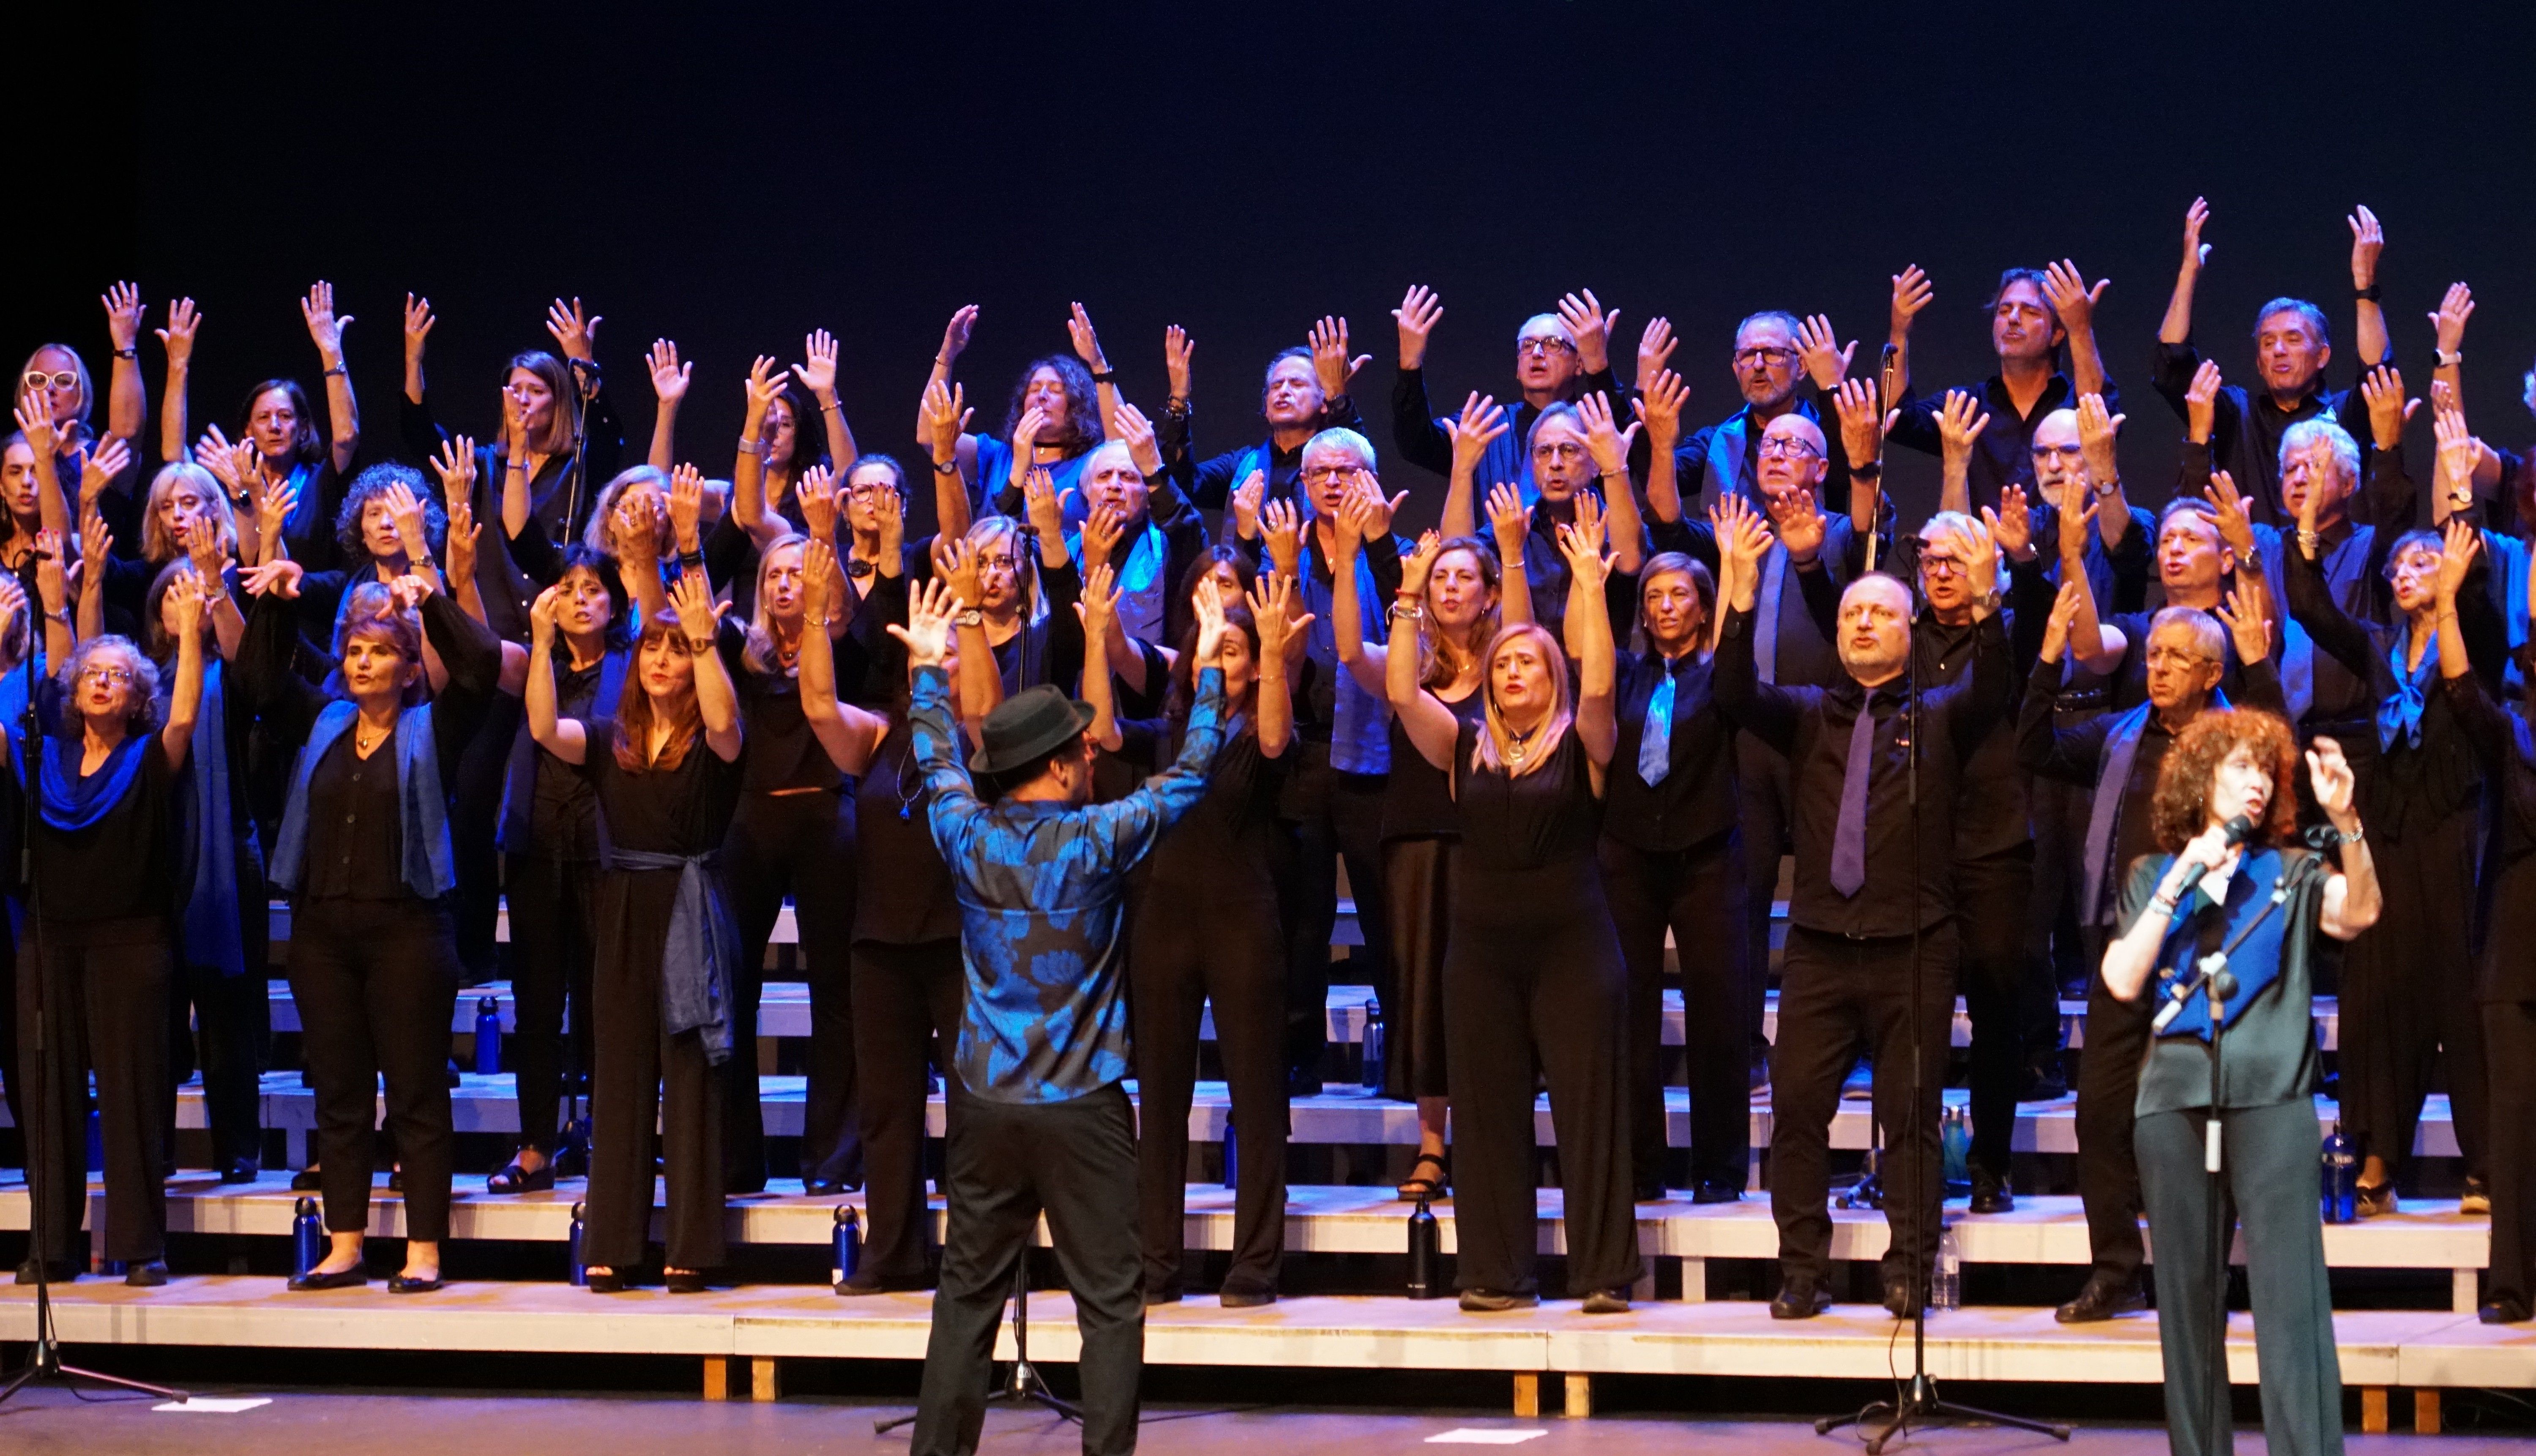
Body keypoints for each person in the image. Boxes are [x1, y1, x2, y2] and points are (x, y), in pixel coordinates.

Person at [902, 569, 1231, 1456]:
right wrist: (1208, 674)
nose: (1093, 759)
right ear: (1057, 765)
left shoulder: (966, 834)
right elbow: (1195, 772)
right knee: (1110, 1304)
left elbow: (936, 760)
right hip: (1082, 1106)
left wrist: (929, 673)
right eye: (1082, 752)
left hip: (988, 1104)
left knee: (966, 1302)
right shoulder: (1098, 835)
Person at [1713, 505, 2011, 1320]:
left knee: (1907, 1118)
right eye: (1853, 613)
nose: (1866, 622)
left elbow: (1997, 689)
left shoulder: (1940, 713)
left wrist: (1986, 607)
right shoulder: (1810, 713)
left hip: (1913, 945)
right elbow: (1733, 692)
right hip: (1818, 946)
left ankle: (1909, 1268)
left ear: (1910, 627)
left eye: (1882, 611)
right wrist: (1739, 601)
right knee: (1799, 1111)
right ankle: (1802, 1271)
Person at [1390, 497, 1641, 1314]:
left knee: (1587, 1112)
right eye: (1502, 666)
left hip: (1574, 949)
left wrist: (1591, 586)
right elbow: (1401, 692)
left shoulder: (1584, 741)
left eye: (1527, 663)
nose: (1511, 673)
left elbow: (1600, 683)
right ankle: (1496, 1272)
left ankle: (1601, 1273)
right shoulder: (1464, 747)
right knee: (1489, 1113)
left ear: (1551, 677)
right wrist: (1408, 597)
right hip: (1482, 955)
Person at [2103, 712, 2377, 1456]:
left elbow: (2359, 914)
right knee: (2187, 1309)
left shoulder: (2288, 874)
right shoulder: (2151, 876)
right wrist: (2182, 880)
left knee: (2292, 1304)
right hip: (2172, 1105)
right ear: (2201, 778)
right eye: (2240, 768)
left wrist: (2345, 819)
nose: (2257, 782)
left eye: (2266, 770)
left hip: (2272, 1100)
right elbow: (2123, 978)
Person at [2021, 589, 2285, 1322]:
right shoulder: (2121, 733)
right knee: (2101, 1114)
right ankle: (2116, 1269)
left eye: (2176, 657)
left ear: (2210, 672)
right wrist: (2047, 659)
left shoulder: (2241, 739)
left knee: (2207, 1120)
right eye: (2153, 654)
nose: (2157, 667)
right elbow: (2033, 747)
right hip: (2125, 949)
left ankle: (2205, 1275)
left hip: (2210, 954)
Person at [240, 565, 503, 1295]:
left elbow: (481, 667)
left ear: (411, 667)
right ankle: (345, 1245)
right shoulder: (323, 723)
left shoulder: (433, 727)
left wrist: (433, 603)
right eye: (354, 651)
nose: (361, 662)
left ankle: (423, 1252)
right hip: (321, 936)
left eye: (379, 652)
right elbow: (260, 683)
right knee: (341, 1095)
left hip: (409, 935)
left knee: (416, 1094)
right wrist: (276, 604)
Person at [527, 569, 745, 1289]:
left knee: (689, 1075)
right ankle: (615, 1240)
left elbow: (723, 726)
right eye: (653, 647)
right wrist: (539, 643)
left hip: (689, 907)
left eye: (675, 650)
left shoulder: (711, 740)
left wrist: (707, 642)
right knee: (618, 1075)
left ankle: (691, 1242)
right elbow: (539, 728)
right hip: (623, 908)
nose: (660, 660)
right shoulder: (607, 738)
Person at [2287, 518, 2498, 1216]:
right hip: (2389, 832)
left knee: (2463, 997)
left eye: (2424, 562)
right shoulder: (2380, 647)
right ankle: (2377, 1157)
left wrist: (2454, 595)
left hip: (2455, 828)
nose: (2406, 572)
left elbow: (2477, 675)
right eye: (2399, 566)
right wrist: (2307, 535)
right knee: (2382, 992)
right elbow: (2315, 610)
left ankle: (2488, 1166)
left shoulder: (2473, 634)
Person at [7, 585, 208, 1288]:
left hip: (132, 944)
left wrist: (190, 634)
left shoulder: (152, 758)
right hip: (51, 942)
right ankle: (53, 1244)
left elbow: (187, 711)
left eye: (119, 675)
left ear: (136, 698)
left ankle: (139, 1245)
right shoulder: (45, 759)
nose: (103, 681)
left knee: (131, 1095)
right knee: (48, 1093)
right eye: (93, 671)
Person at [1332, 485, 1527, 1198]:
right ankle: (1433, 1143)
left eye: (1462, 577)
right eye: (1439, 575)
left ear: (1489, 592)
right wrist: (1355, 555)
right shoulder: (1411, 661)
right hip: (1417, 843)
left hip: (1493, 844)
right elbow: (1352, 650)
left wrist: (1509, 547)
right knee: (1424, 991)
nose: (1449, 587)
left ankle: (1494, 1133)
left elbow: (1529, 639)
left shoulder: (1512, 659)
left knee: (1491, 989)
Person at [1126, 572, 1303, 1307]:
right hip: (1163, 922)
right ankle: (1156, 1264)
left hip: (1241, 920)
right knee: (1161, 1098)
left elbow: (1273, 735)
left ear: (1255, 665)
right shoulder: (1167, 737)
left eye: (1230, 651)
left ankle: (1255, 1263)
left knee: (1256, 1097)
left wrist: (1262, 640)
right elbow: (1101, 729)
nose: (1217, 661)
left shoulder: (1259, 728)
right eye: (1206, 648)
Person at [1597, 530, 1748, 1205]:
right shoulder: (1627, 675)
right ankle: (1640, 1166)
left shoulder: (1719, 675)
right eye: (1653, 595)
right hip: (1628, 853)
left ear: (1703, 605)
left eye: (1679, 594)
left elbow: (1739, 670)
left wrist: (1739, 568)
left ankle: (1720, 1167)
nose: (1664, 606)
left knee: (1717, 1010)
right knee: (1630, 1011)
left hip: (1706, 854)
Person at [1255, 427, 1406, 1095]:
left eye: (1349, 469)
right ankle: (1298, 1054)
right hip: (1303, 751)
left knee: (1385, 911)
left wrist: (1370, 548)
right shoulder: (1280, 556)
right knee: (1302, 915)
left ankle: (1405, 1051)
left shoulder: (1392, 554)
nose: (1334, 481)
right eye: (1320, 472)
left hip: (1378, 754)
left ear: (1370, 480)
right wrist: (1284, 572)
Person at [718, 531, 863, 1195]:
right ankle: (738, 1160)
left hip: (827, 817)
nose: (783, 583)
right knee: (735, 992)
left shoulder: (840, 648)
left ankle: (830, 1161)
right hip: (750, 821)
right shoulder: (738, 653)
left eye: (796, 573)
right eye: (773, 573)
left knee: (834, 991)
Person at [134, 556, 267, 1186]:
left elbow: (256, 670)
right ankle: (153, 1153)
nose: (185, 601)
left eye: (197, 592)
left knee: (225, 1015)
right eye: (174, 593)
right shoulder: (138, 683)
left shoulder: (232, 676)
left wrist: (217, 593)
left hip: (223, 858)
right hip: (154, 859)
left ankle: (239, 1146)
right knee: (157, 1021)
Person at [2151, 197, 2394, 523]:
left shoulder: (2343, 414)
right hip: (2246, 564)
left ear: (2323, 355)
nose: (2279, 350)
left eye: (2293, 340)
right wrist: (2188, 273)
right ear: (2259, 361)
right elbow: (2173, 363)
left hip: (2332, 569)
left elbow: (2378, 374)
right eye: (2268, 343)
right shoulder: (2238, 414)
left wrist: (2365, 286)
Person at [401, 295, 623, 641]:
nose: (522, 399)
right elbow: (421, 436)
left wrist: (584, 366)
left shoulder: (579, 466)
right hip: (491, 631)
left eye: (535, 390)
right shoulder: (483, 464)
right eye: (515, 390)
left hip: (559, 635)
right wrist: (414, 360)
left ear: (559, 402)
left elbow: (610, 436)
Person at [2444, 541, 2536, 1322]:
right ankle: (2512, 1282)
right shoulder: (2512, 734)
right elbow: (2461, 691)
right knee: (2512, 1124)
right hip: (2516, 956)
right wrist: (2445, 605)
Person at [1890, 263, 2116, 505]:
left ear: (2058, 334)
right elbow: (1897, 417)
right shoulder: (1967, 407)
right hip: (1984, 542)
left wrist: (2080, 329)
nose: (2014, 319)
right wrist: (1899, 332)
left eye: (2030, 312)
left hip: (2067, 541)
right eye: (2004, 310)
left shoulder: (2071, 402)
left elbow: (2100, 414)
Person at [185, 283, 362, 571]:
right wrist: (243, 493)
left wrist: (331, 353)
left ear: (304, 429)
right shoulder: (237, 486)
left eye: (286, 416)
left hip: (315, 610)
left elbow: (347, 435)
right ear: (248, 432)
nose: (275, 426)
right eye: (264, 418)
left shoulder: (322, 482)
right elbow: (251, 560)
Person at [1389, 285, 1629, 495]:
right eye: (1527, 345)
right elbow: (1416, 444)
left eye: (1552, 344)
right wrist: (1410, 365)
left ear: (1580, 364)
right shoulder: (1484, 426)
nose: (1537, 353)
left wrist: (1599, 367)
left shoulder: (1599, 428)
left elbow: (1639, 451)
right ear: (1517, 367)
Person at [920, 303, 1118, 523]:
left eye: (1056, 390)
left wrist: (1099, 366)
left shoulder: (1092, 462)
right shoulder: (997, 456)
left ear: (1078, 405)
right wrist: (946, 358)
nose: (1042, 396)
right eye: (1033, 389)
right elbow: (930, 437)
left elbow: (1121, 446)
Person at [1158, 319, 1371, 511]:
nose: (1284, 391)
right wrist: (1178, 399)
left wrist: (1336, 393)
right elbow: (1182, 485)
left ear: (1324, 403)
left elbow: (1359, 459)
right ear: (1266, 408)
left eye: (1297, 384)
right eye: (1276, 386)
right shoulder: (1243, 466)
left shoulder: (1339, 464)